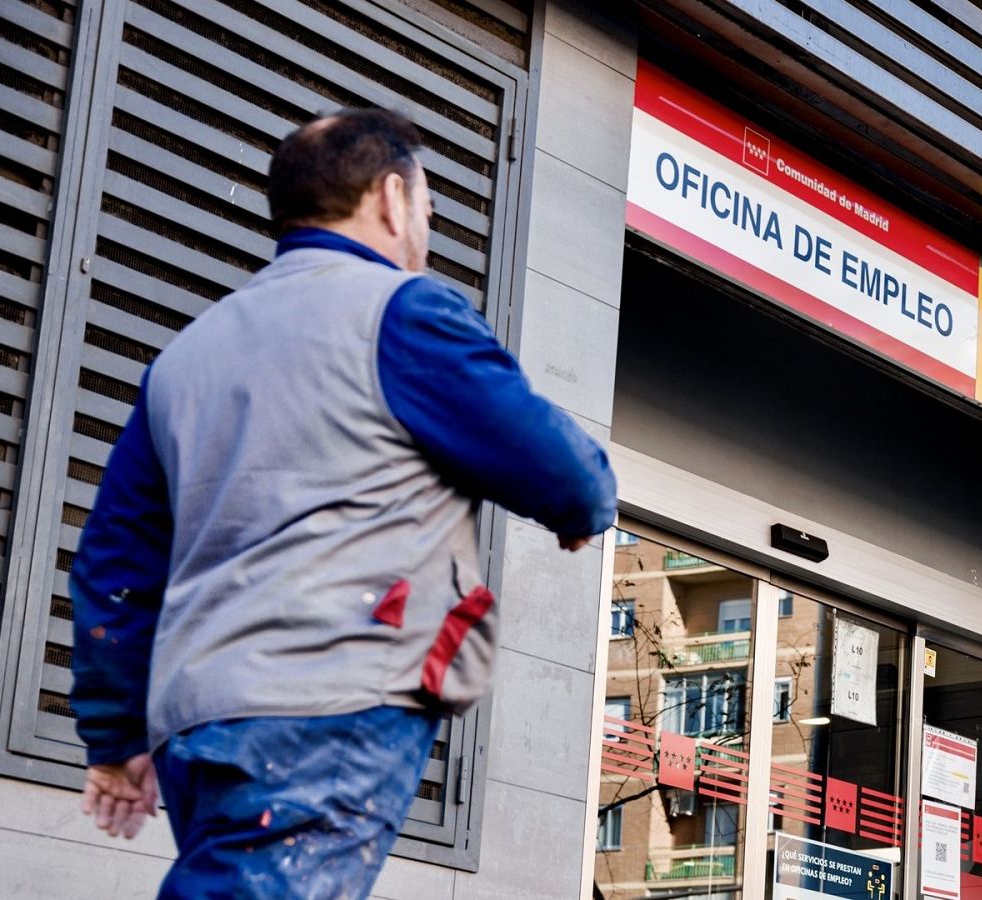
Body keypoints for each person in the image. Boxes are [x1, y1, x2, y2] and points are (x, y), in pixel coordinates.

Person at [69, 108, 616, 897]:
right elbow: (569, 474)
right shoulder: (401, 312)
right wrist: (579, 513)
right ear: (392, 199)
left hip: (199, 719)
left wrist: (116, 737)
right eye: (428, 206)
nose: (425, 226)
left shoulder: (185, 356)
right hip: (330, 703)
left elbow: (113, 567)